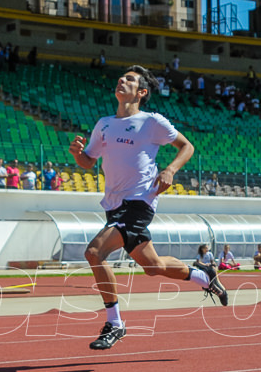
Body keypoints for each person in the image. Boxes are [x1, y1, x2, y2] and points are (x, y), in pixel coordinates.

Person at [69, 65, 228, 350]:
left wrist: (169, 170)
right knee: (152, 267)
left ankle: (114, 323)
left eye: (129, 79)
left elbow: (187, 147)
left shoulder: (151, 121)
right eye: (121, 77)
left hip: (140, 200)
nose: (122, 80)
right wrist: (79, 155)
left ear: (141, 92)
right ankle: (204, 275)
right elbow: (88, 162)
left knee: (95, 252)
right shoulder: (103, 124)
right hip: (114, 204)